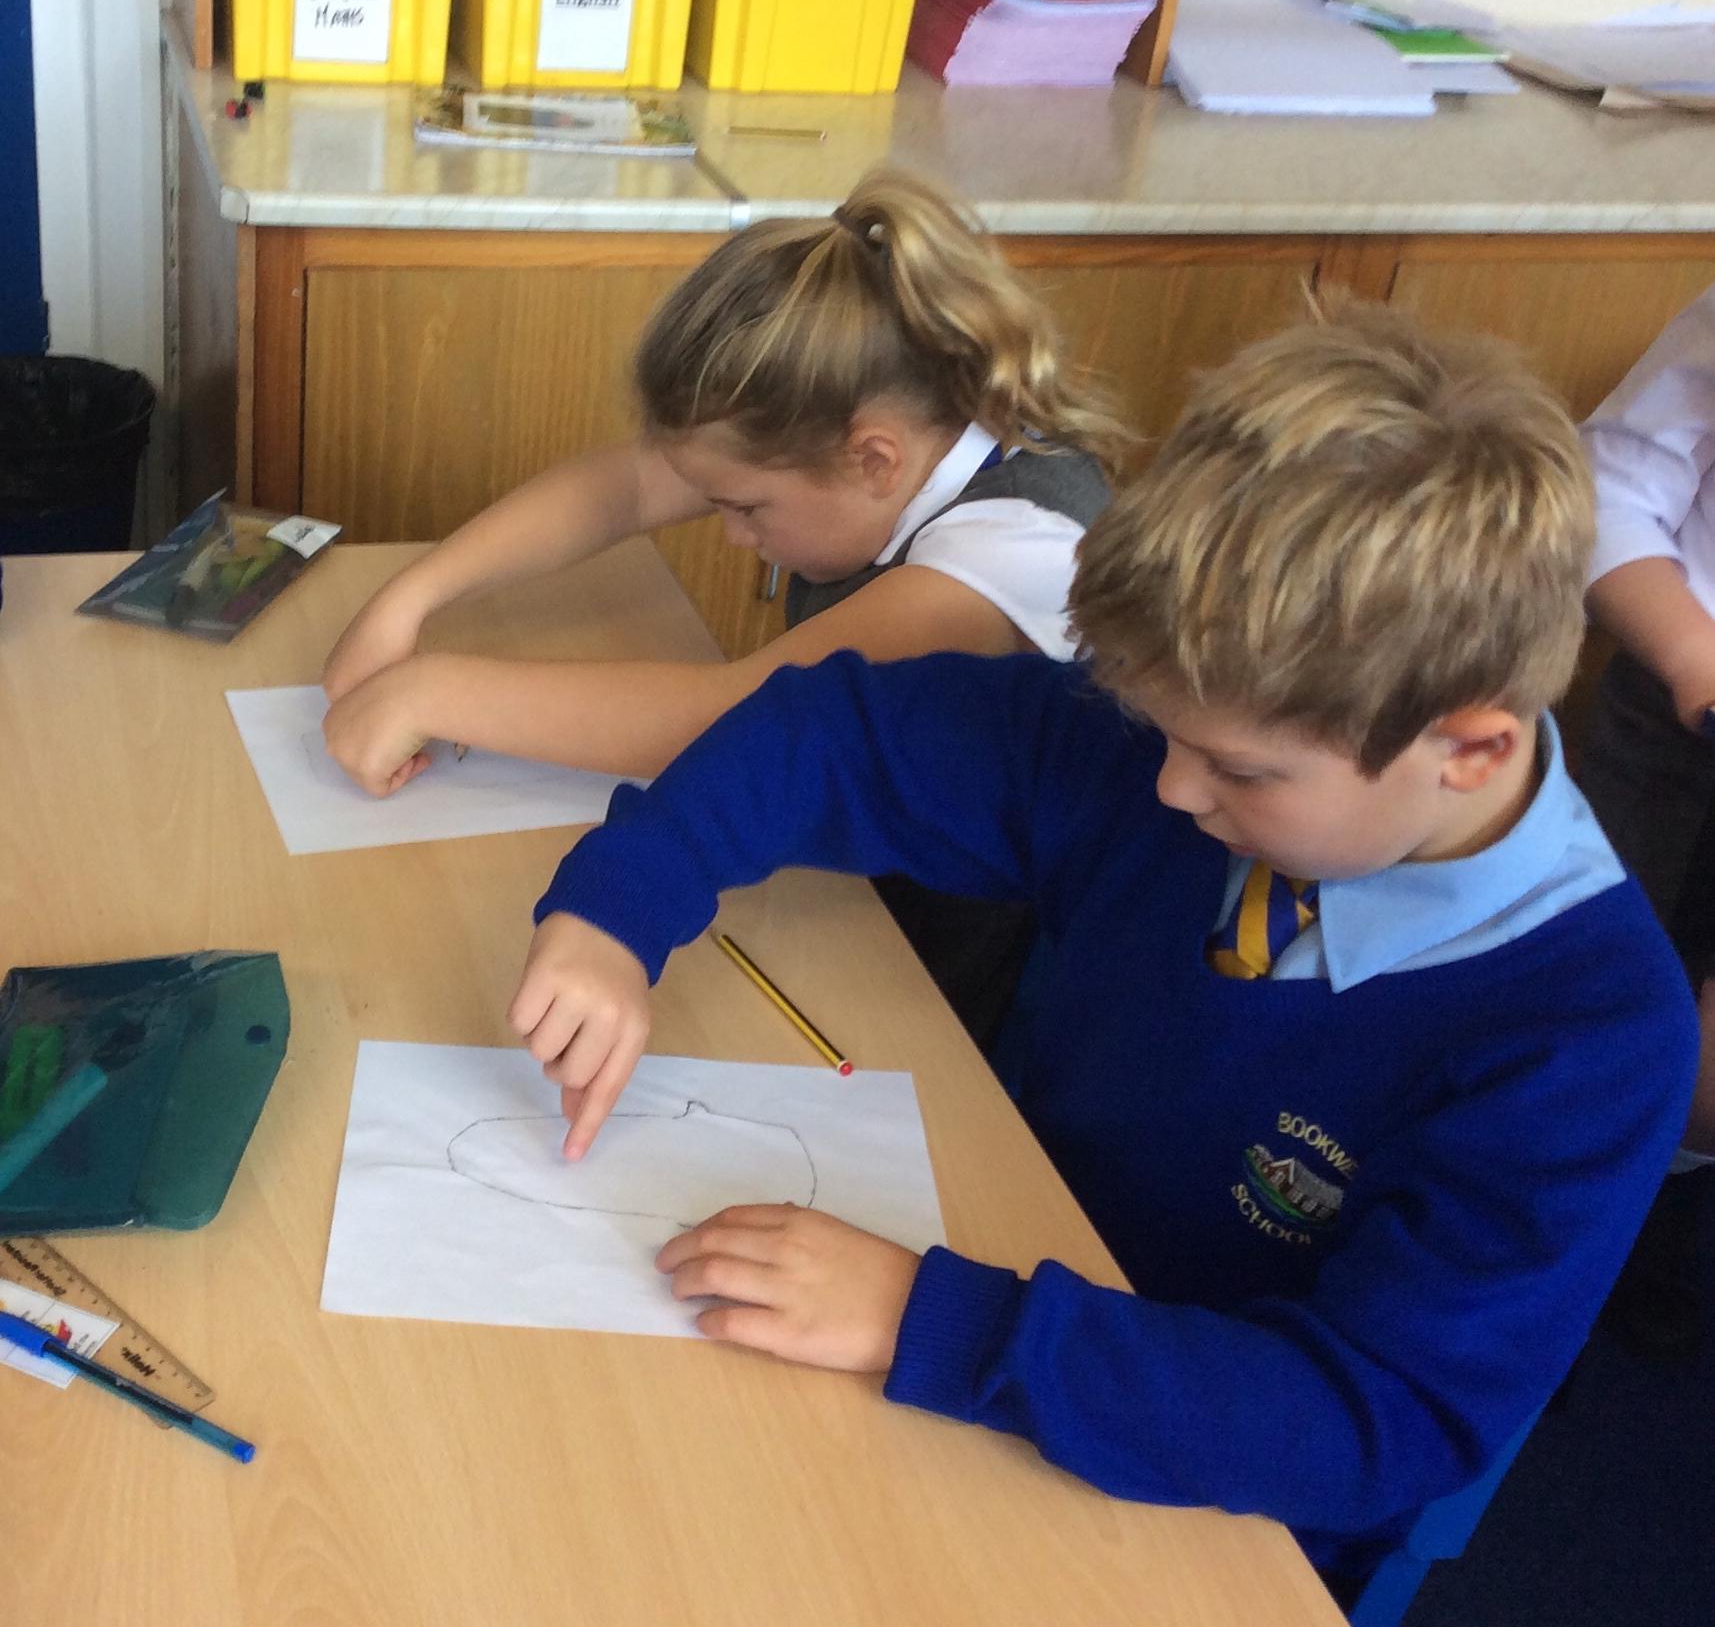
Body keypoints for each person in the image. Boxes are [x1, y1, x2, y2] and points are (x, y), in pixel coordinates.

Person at [503, 303, 1696, 1588]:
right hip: (999, 1286)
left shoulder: (1588, 1037)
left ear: (1468, 746)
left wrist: (932, 1320)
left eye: (1237, 769)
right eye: (1161, 735)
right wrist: (620, 905)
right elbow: (833, 734)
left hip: (1208, 1511)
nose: (1172, 790)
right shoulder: (1193, 734)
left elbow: (1365, 1419)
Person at [321, 166, 1128, 1048]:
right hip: (843, 882)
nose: (734, 536)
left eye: (746, 508)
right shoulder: (893, 424)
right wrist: (411, 597)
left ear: (873, 460)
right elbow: (631, 485)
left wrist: (431, 690)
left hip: (944, 975)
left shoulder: (1006, 557)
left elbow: (735, 719)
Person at [1576, 282, 1715, 1356]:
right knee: (1597, 1002)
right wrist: (1690, 657)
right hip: (1681, 714)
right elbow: (1607, 490)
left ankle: (1650, 1228)